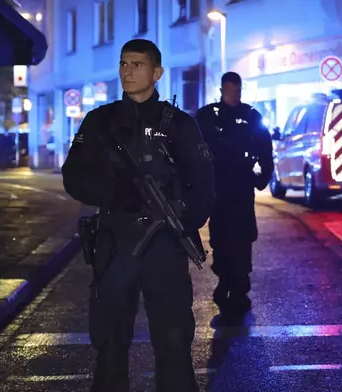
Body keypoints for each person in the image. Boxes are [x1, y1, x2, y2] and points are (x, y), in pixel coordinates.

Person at [61, 39, 214, 392]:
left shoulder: (179, 124)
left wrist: (183, 221)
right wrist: (116, 194)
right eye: (123, 64)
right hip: (115, 242)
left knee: (174, 341)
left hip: (164, 244)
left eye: (137, 64)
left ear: (156, 73)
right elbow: (74, 176)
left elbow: (205, 184)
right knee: (111, 340)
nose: (127, 71)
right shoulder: (101, 121)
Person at [195, 71, 273, 323]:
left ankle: (239, 290)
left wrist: (262, 178)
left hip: (240, 187)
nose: (233, 94)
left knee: (241, 240)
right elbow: (194, 150)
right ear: (222, 90)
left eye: (237, 90)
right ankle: (224, 284)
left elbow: (265, 151)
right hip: (218, 189)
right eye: (230, 90)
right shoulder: (207, 116)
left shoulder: (251, 117)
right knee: (220, 239)